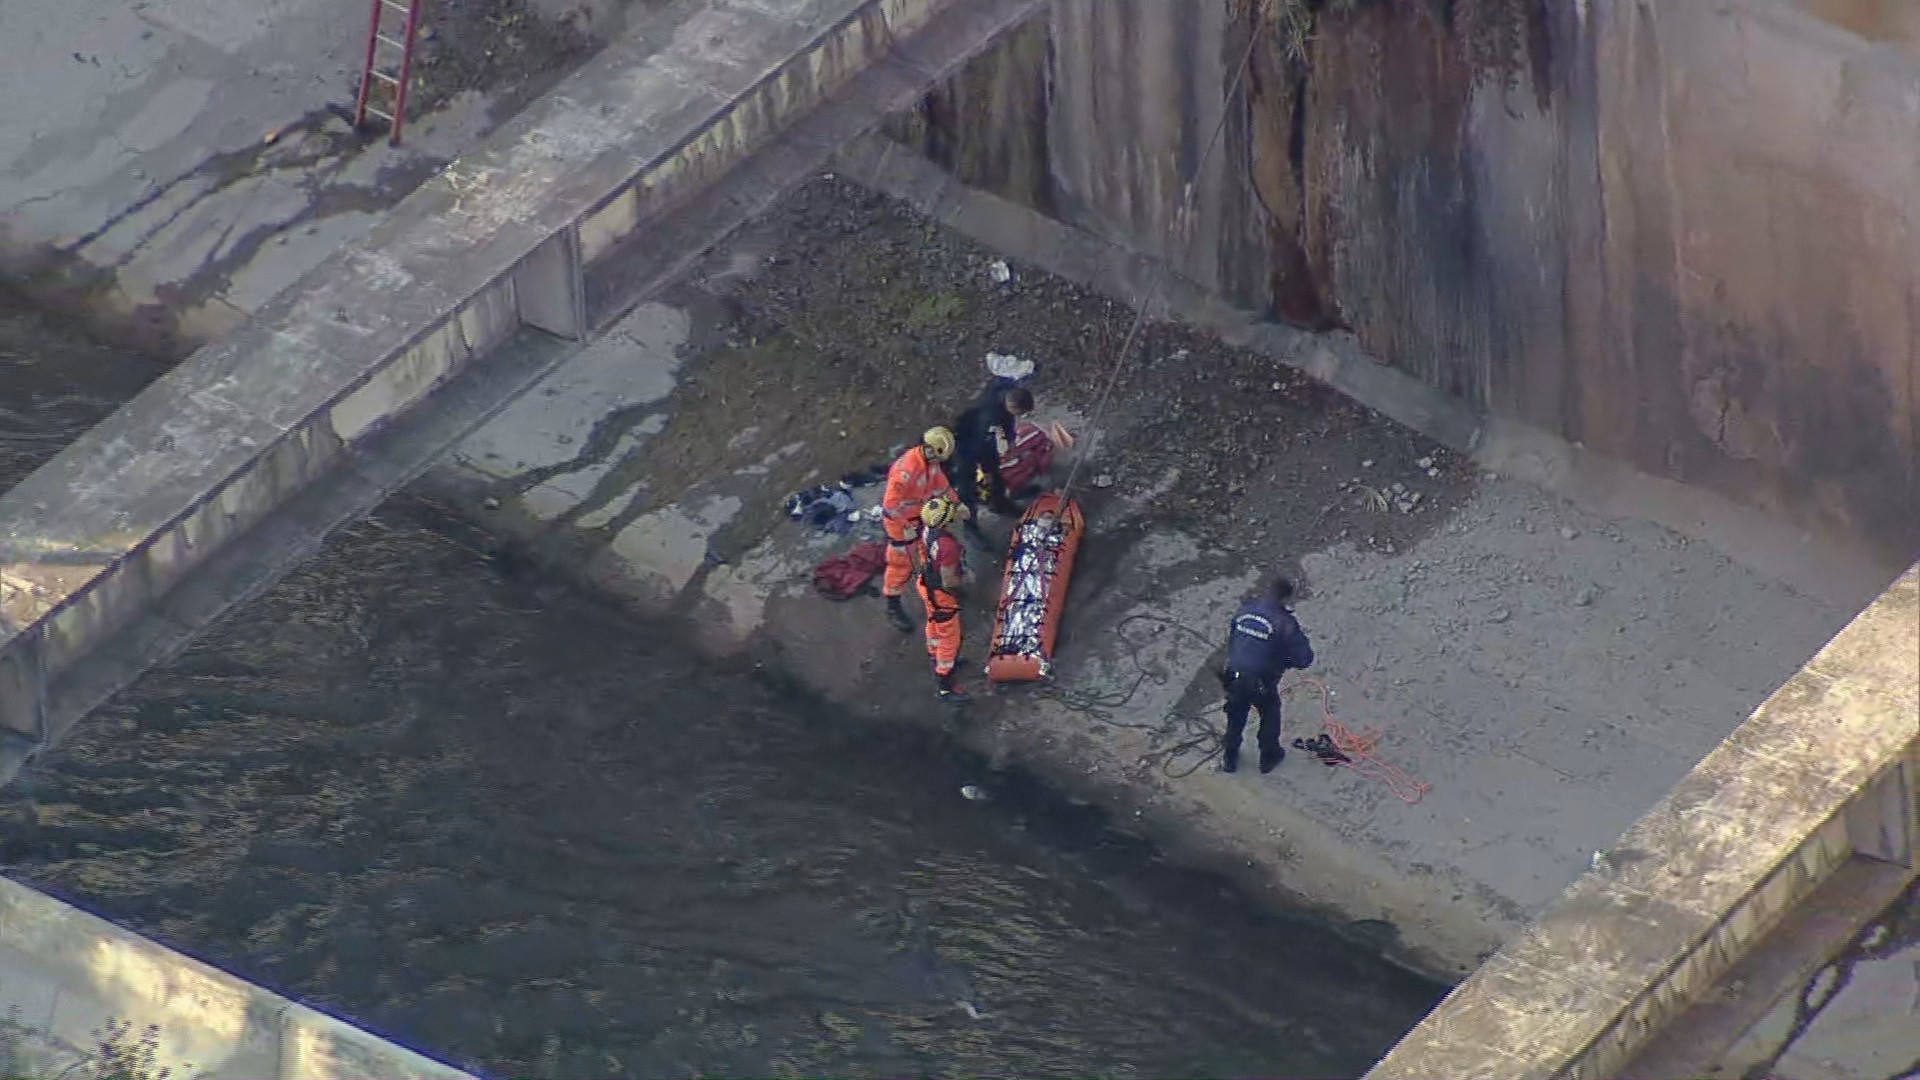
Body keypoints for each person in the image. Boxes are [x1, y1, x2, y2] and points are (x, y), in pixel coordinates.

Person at [1218, 576, 1315, 774]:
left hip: (1234, 675)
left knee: (1235, 716)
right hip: (1261, 681)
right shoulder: (1285, 623)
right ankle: (1269, 757)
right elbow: (1304, 659)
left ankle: (1229, 758)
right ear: (1286, 598)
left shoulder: (1246, 609)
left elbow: (1233, 637)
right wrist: (1284, 660)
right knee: (1270, 714)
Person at [879, 428, 967, 632]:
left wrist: (957, 503)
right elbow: (890, 506)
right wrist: (906, 526)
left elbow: (942, 486)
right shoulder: (905, 471)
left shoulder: (930, 462)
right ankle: (893, 606)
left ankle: (937, 589)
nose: (938, 462)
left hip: (921, 515)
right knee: (900, 565)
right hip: (900, 523)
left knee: (928, 554)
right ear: (929, 449)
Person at [948, 385, 1035, 544]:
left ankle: (999, 503)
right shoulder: (988, 415)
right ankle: (970, 527)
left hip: (983, 438)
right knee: (967, 486)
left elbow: (1008, 419)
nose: (1021, 416)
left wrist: (1010, 438)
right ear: (1012, 405)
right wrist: (985, 468)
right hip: (964, 443)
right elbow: (979, 444)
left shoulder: (1006, 392)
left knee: (995, 473)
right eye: (1020, 413)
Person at [915, 494, 970, 702]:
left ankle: (934, 654)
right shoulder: (947, 547)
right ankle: (944, 683)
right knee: (950, 638)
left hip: (926, 584)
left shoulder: (927, 530)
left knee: (933, 623)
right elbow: (949, 581)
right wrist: (962, 589)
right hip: (941, 594)